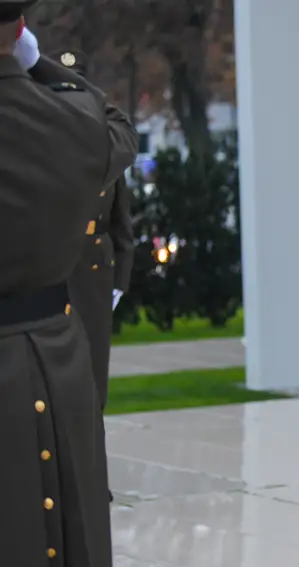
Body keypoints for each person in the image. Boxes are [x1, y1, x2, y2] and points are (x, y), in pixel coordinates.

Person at [0, 7, 138, 567]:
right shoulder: (77, 120)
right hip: (55, 358)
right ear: (20, 29)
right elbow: (118, 124)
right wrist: (42, 66)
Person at [52, 48, 136, 411]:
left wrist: (121, 275)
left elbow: (120, 218)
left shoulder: (106, 144)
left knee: (93, 367)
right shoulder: (41, 139)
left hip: (94, 267)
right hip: (52, 262)